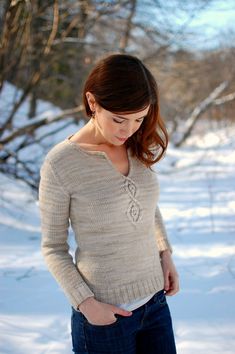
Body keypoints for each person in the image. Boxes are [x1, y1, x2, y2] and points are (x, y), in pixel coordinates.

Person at [38, 53, 179, 354]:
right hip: (104, 318)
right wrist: (86, 304)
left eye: (139, 119)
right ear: (92, 102)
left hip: (155, 305)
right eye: (118, 119)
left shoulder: (136, 146)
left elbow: (146, 204)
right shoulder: (61, 163)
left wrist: (164, 252)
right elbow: (53, 247)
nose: (128, 130)